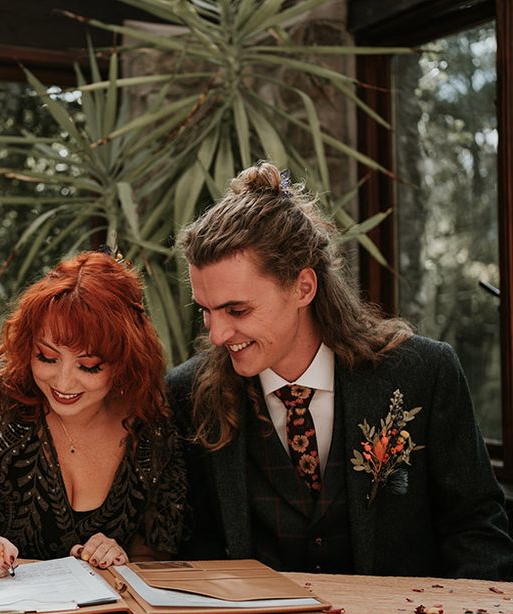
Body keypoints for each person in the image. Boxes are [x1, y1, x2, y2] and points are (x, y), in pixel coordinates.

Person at [168, 161, 513, 580]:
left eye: (237, 310)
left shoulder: (425, 374)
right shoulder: (188, 393)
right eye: (205, 311)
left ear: (303, 287)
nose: (218, 335)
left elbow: (476, 531)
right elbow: (190, 547)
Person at [0, 251, 185, 579]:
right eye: (47, 357)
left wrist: (117, 558)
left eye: (89, 366)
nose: (63, 382)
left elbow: (154, 550)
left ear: (124, 360)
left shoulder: (150, 421)